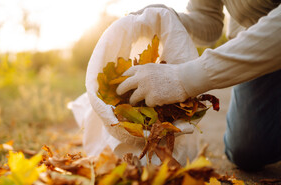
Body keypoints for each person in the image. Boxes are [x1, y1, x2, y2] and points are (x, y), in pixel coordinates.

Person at [116, 1, 281, 171]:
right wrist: (172, 19)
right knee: (247, 148)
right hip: (255, 48)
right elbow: (208, 20)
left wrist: (183, 78)